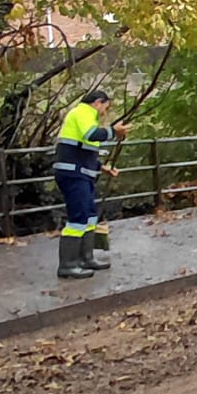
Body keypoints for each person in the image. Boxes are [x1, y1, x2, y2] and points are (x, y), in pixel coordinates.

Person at [53, 90, 129, 279]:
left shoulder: (86, 116)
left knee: (89, 216)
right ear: (97, 102)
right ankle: (68, 265)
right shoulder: (83, 113)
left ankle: (86, 258)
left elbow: (84, 150)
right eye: (105, 107)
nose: (104, 112)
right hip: (73, 174)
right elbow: (92, 135)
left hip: (80, 173)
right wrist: (113, 131)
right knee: (78, 218)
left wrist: (101, 167)